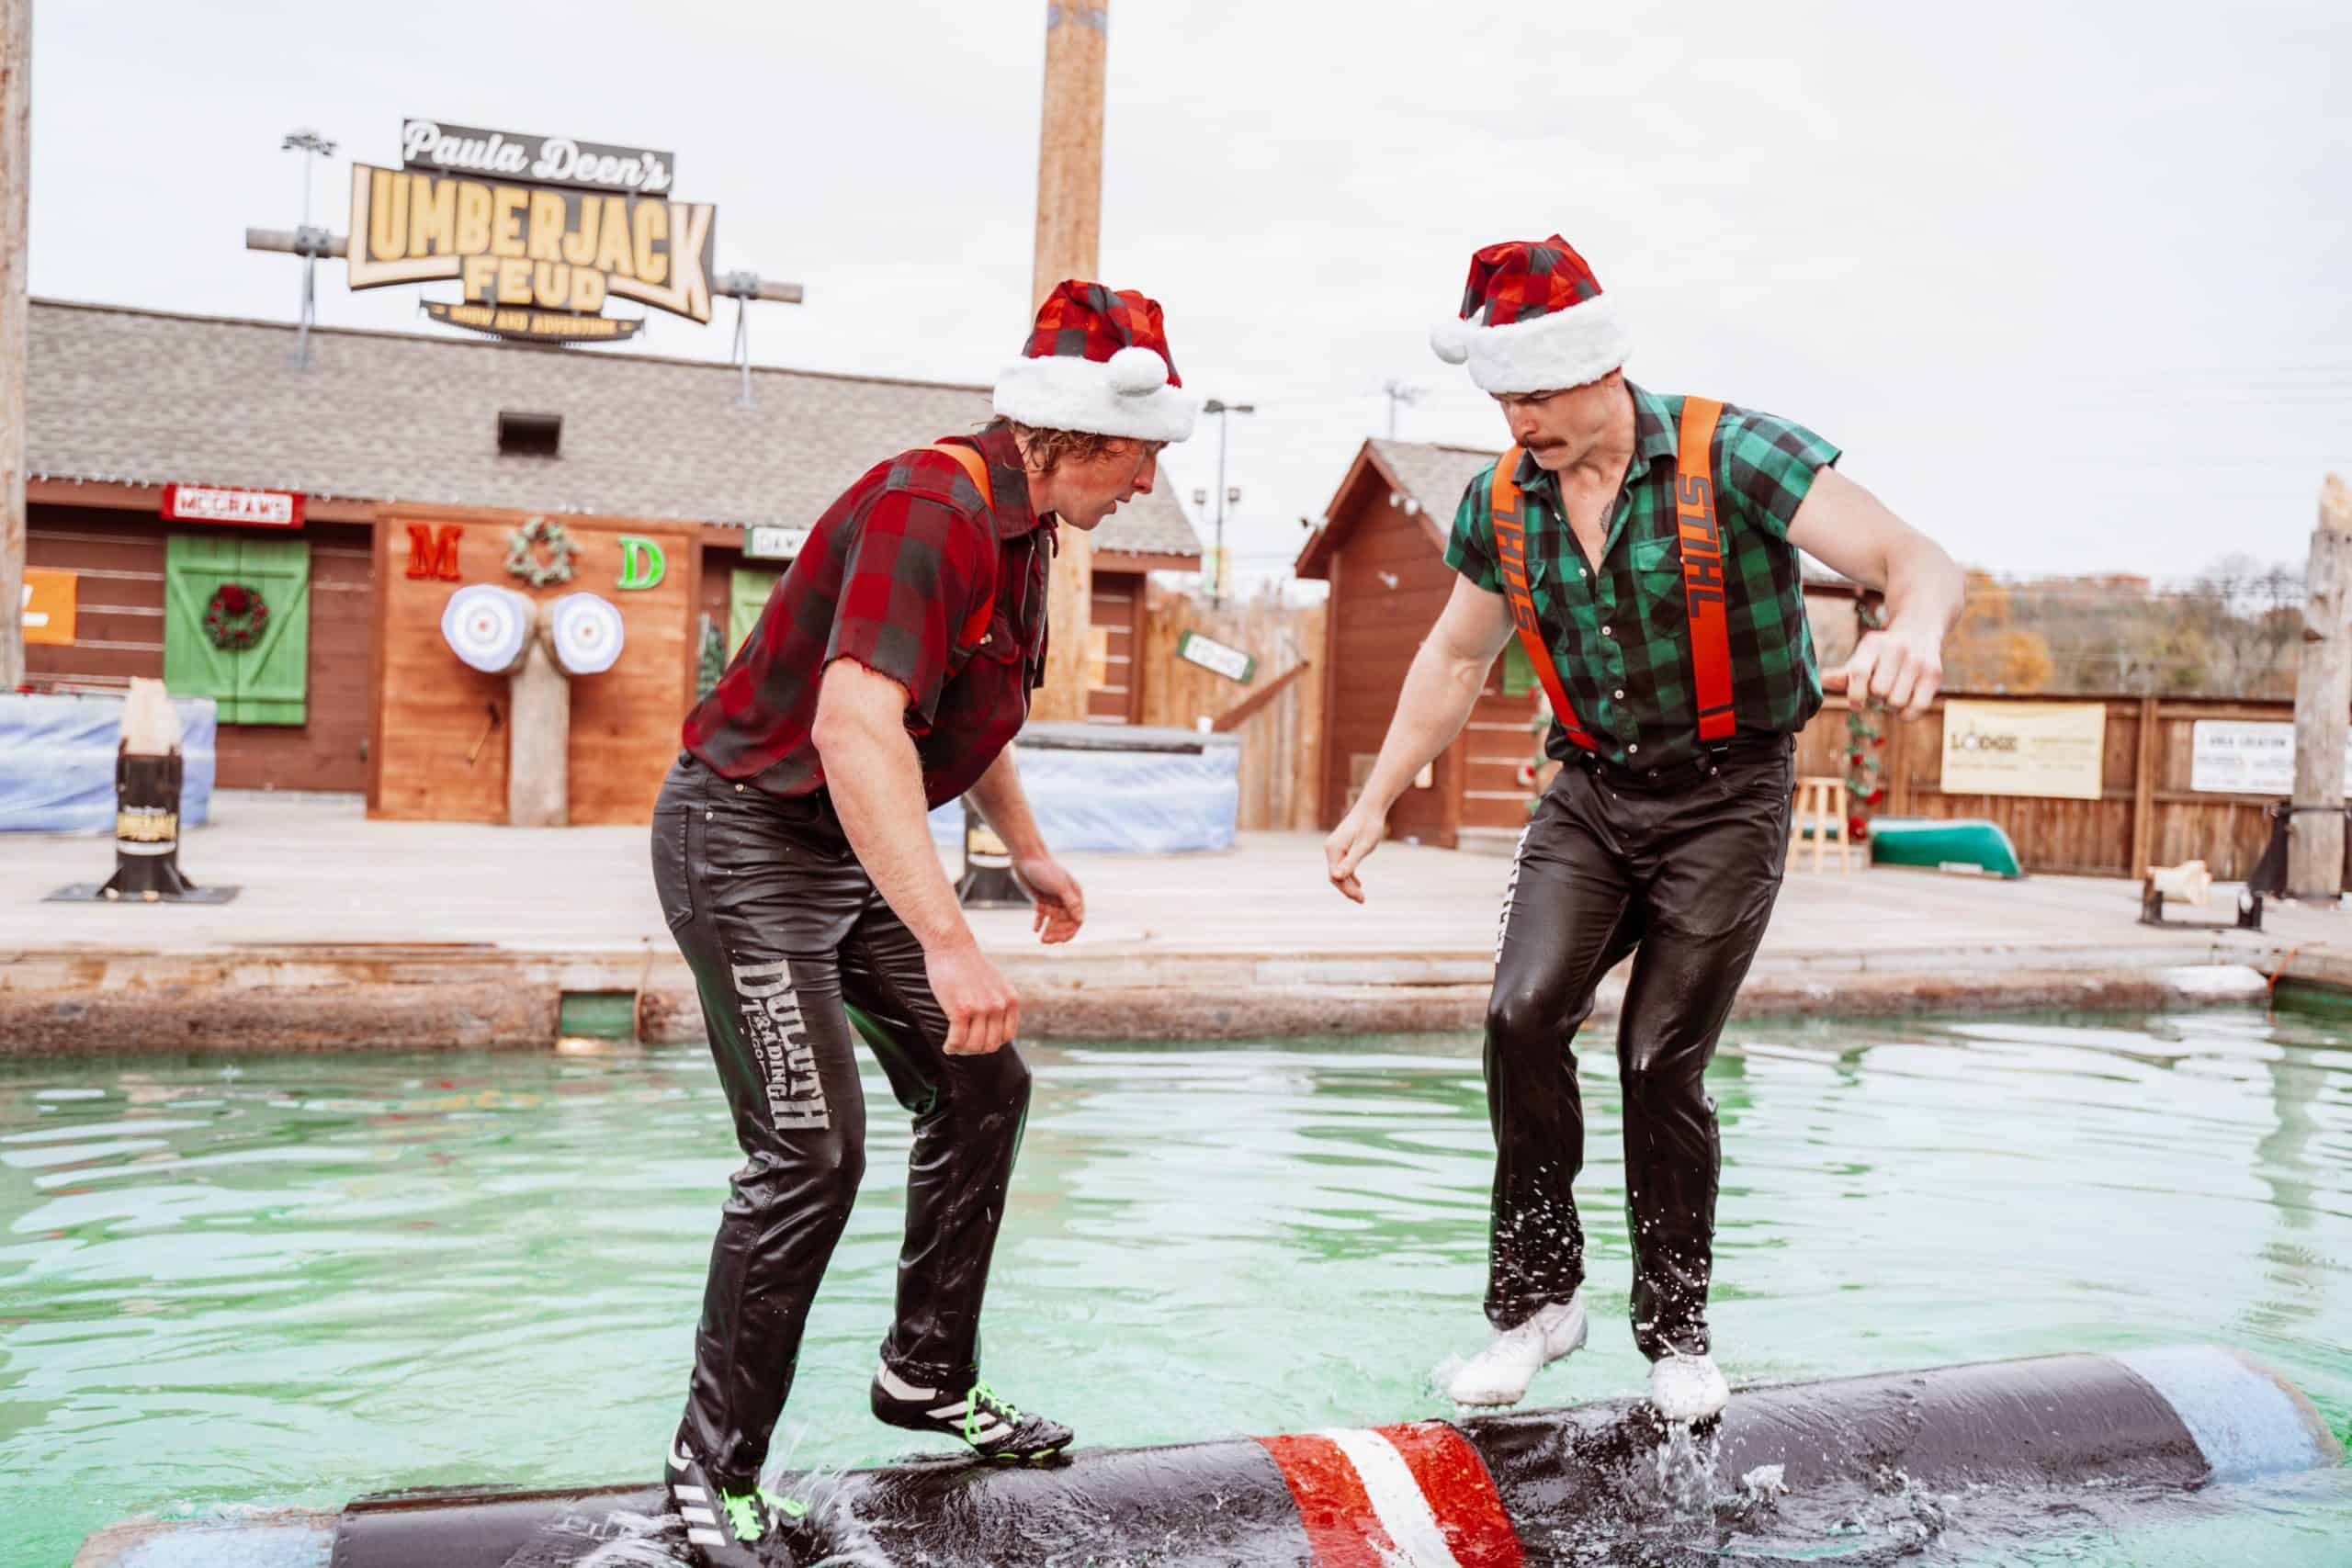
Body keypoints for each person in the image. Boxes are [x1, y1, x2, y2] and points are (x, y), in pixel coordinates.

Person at [1323, 237, 1962, 1425]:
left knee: (1658, 1055)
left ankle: (1675, 1336)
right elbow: (1457, 654)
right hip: (1590, 794)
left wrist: (1914, 625)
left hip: (1728, 797)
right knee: (1520, 1014)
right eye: (1503, 398)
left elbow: (1913, 558)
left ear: (1602, 366)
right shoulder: (1500, 499)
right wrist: (1374, 801)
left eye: (1538, 395)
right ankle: (1535, 1304)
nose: (1520, 422)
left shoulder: (1739, 452)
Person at [651, 281, 1196, 1564]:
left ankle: (924, 1376)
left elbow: (960, 712)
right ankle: (708, 1475)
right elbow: (853, 727)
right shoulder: (928, 505)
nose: (1146, 486)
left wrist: (1031, 850)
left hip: (846, 853)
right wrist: (951, 938)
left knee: (982, 1090)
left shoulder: (1025, 530)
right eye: (1143, 459)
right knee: (808, 1153)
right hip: (749, 843)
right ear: (1080, 433)